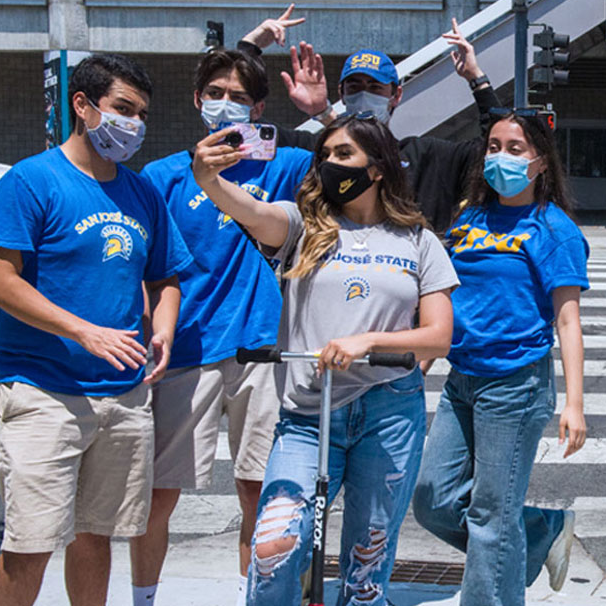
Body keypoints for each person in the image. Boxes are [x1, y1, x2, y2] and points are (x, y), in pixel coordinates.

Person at [190, 113, 459, 606]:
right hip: (308, 416)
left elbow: (439, 337)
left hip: (389, 411)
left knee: (366, 565)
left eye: (343, 155)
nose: (330, 164)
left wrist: (368, 341)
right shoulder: (300, 226)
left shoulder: (419, 241)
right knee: (274, 549)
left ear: (377, 168)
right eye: (326, 155)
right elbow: (251, 212)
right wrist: (209, 179)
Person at [0, 53, 192, 606]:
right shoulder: (31, 181)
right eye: (123, 108)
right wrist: (84, 331)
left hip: (122, 396)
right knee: (31, 543)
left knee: (96, 536)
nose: (134, 125)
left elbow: (165, 276)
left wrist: (162, 330)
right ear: (83, 104)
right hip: (42, 391)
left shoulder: (140, 191)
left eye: (141, 114)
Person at [131, 45, 315, 606]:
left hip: (264, 348)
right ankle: (144, 598)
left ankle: (251, 596)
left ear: (259, 109)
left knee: (258, 493)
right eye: (215, 94)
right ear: (196, 100)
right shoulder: (161, 176)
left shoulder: (285, 164)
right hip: (185, 349)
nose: (226, 105)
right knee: (158, 496)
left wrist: (321, 107)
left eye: (239, 97)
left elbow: (359, 161)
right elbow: (145, 266)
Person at [412, 109, 589, 605]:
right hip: (462, 378)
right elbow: (447, 304)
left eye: (515, 149)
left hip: (515, 384)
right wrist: (420, 362)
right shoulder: (468, 220)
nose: (500, 157)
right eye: (493, 147)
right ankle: (539, 531)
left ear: (540, 163)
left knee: (491, 517)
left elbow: (568, 320)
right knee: (431, 498)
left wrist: (574, 404)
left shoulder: (553, 230)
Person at [239, 10, 500, 234]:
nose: (364, 94)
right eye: (355, 87)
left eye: (375, 88)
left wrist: (476, 78)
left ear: (395, 95)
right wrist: (249, 49)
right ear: (341, 94)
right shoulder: (313, 151)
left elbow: (495, 147)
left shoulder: (428, 157)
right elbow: (241, 132)